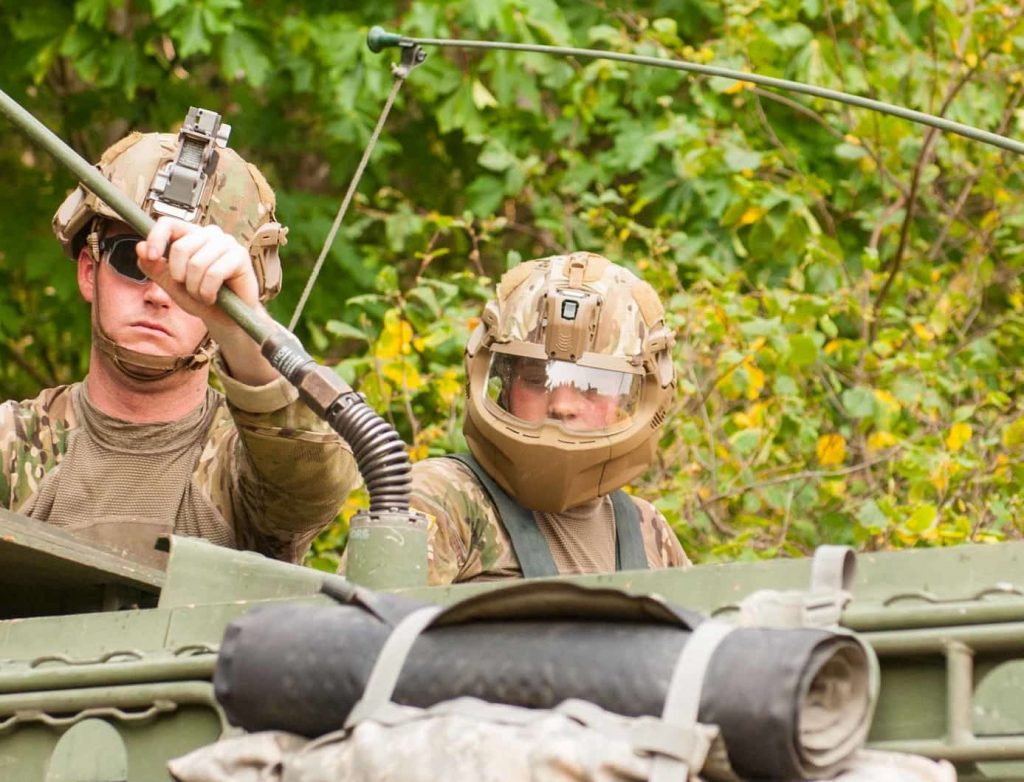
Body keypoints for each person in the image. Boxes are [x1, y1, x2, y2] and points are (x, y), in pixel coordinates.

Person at [0, 108, 358, 568]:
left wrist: (236, 323)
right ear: (90, 272)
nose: (159, 292)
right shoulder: (16, 443)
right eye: (133, 258)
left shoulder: (243, 462)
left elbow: (315, 481)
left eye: (192, 278)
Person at [349, 250, 690, 583]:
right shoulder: (444, 497)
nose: (562, 405)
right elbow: (372, 632)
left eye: (591, 384)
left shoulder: (647, 530)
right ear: (504, 383)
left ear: (630, 397)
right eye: (536, 380)